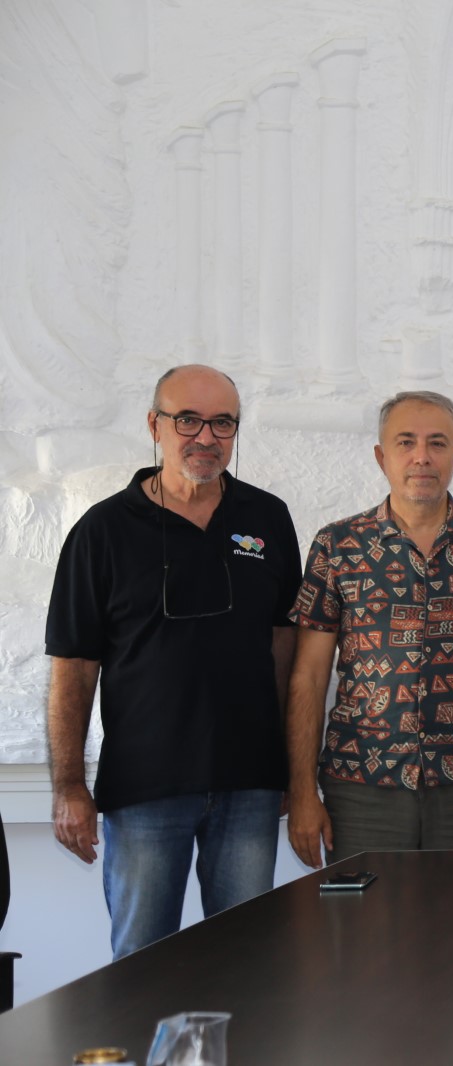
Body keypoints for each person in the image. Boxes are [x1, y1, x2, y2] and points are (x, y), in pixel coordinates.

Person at [45, 364, 299, 958]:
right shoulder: (102, 531)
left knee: (248, 966)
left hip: (250, 785)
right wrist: (69, 787)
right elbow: (73, 668)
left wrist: (290, 766)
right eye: (188, 420)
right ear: (154, 425)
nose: (206, 437)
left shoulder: (267, 518)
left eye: (222, 423)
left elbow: (286, 646)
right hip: (145, 790)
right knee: (141, 967)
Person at [285, 391, 453, 867]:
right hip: (362, 785)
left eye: (437, 443)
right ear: (381, 456)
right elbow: (308, 677)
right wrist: (302, 791)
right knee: (367, 915)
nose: (422, 456)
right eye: (406, 442)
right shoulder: (338, 545)